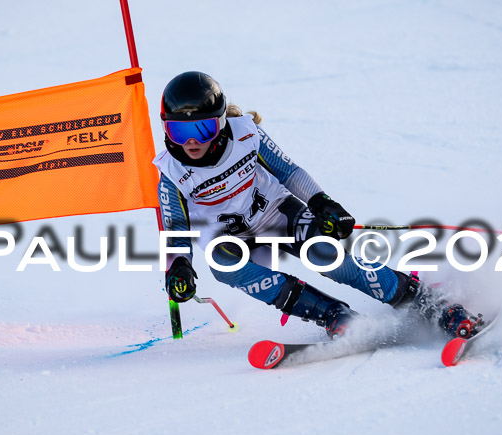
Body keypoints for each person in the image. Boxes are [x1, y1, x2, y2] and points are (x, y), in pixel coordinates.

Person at [153, 71, 482, 339]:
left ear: (221, 122)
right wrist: (179, 265)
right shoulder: (171, 173)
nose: (191, 141)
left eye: (202, 127)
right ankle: (333, 315)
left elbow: (288, 171)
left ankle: (428, 303)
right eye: (178, 131)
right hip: (230, 238)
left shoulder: (245, 134)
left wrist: (323, 203)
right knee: (224, 267)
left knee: (327, 257)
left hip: (277, 214)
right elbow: (176, 230)